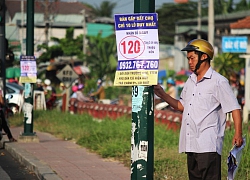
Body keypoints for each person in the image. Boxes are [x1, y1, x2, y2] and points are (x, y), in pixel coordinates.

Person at [154, 39, 243, 180]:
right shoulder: (190, 81)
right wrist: (162, 94)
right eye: (188, 59)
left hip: (208, 143)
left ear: (204, 57)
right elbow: (182, 106)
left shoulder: (219, 81)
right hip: (191, 143)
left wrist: (238, 133)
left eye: (192, 58)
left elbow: (235, 108)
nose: (189, 62)